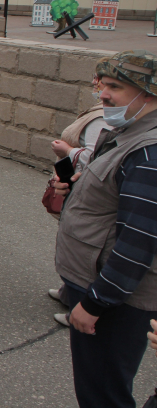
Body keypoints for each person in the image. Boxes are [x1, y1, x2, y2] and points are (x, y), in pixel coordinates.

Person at [52, 50, 157, 408]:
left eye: (116, 87)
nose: (104, 95)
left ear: (150, 94)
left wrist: (95, 304)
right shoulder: (130, 134)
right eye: (103, 85)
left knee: (103, 394)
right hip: (105, 291)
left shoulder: (148, 152)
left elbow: (138, 242)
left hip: (117, 303)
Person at [47, 71, 106, 327]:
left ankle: (80, 304)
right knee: (71, 238)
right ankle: (68, 291)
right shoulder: (102, 110)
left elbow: (96, 156)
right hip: (76, 185)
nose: (96, 84)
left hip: (86, 189)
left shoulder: (105, 117)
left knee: (84, 247)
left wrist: (68, 151)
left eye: (102, 81)